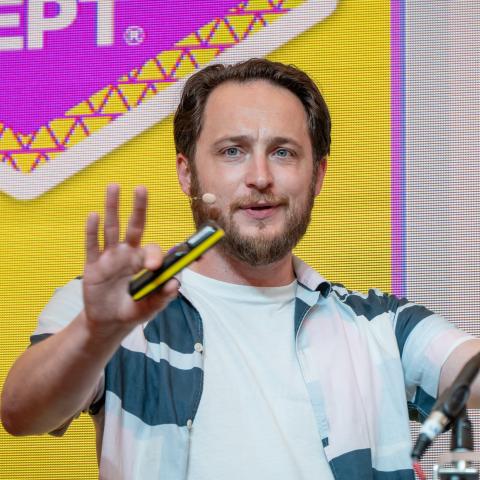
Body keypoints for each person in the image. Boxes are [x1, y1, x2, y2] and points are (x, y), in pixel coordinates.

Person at [1, 59, 479, 480]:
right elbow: (20, 414)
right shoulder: (112, 308)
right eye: (232, 151)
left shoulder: (380, 326)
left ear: (317, 175)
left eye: (283, 152)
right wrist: (96, 332)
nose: (260, 177)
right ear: (187, 173)